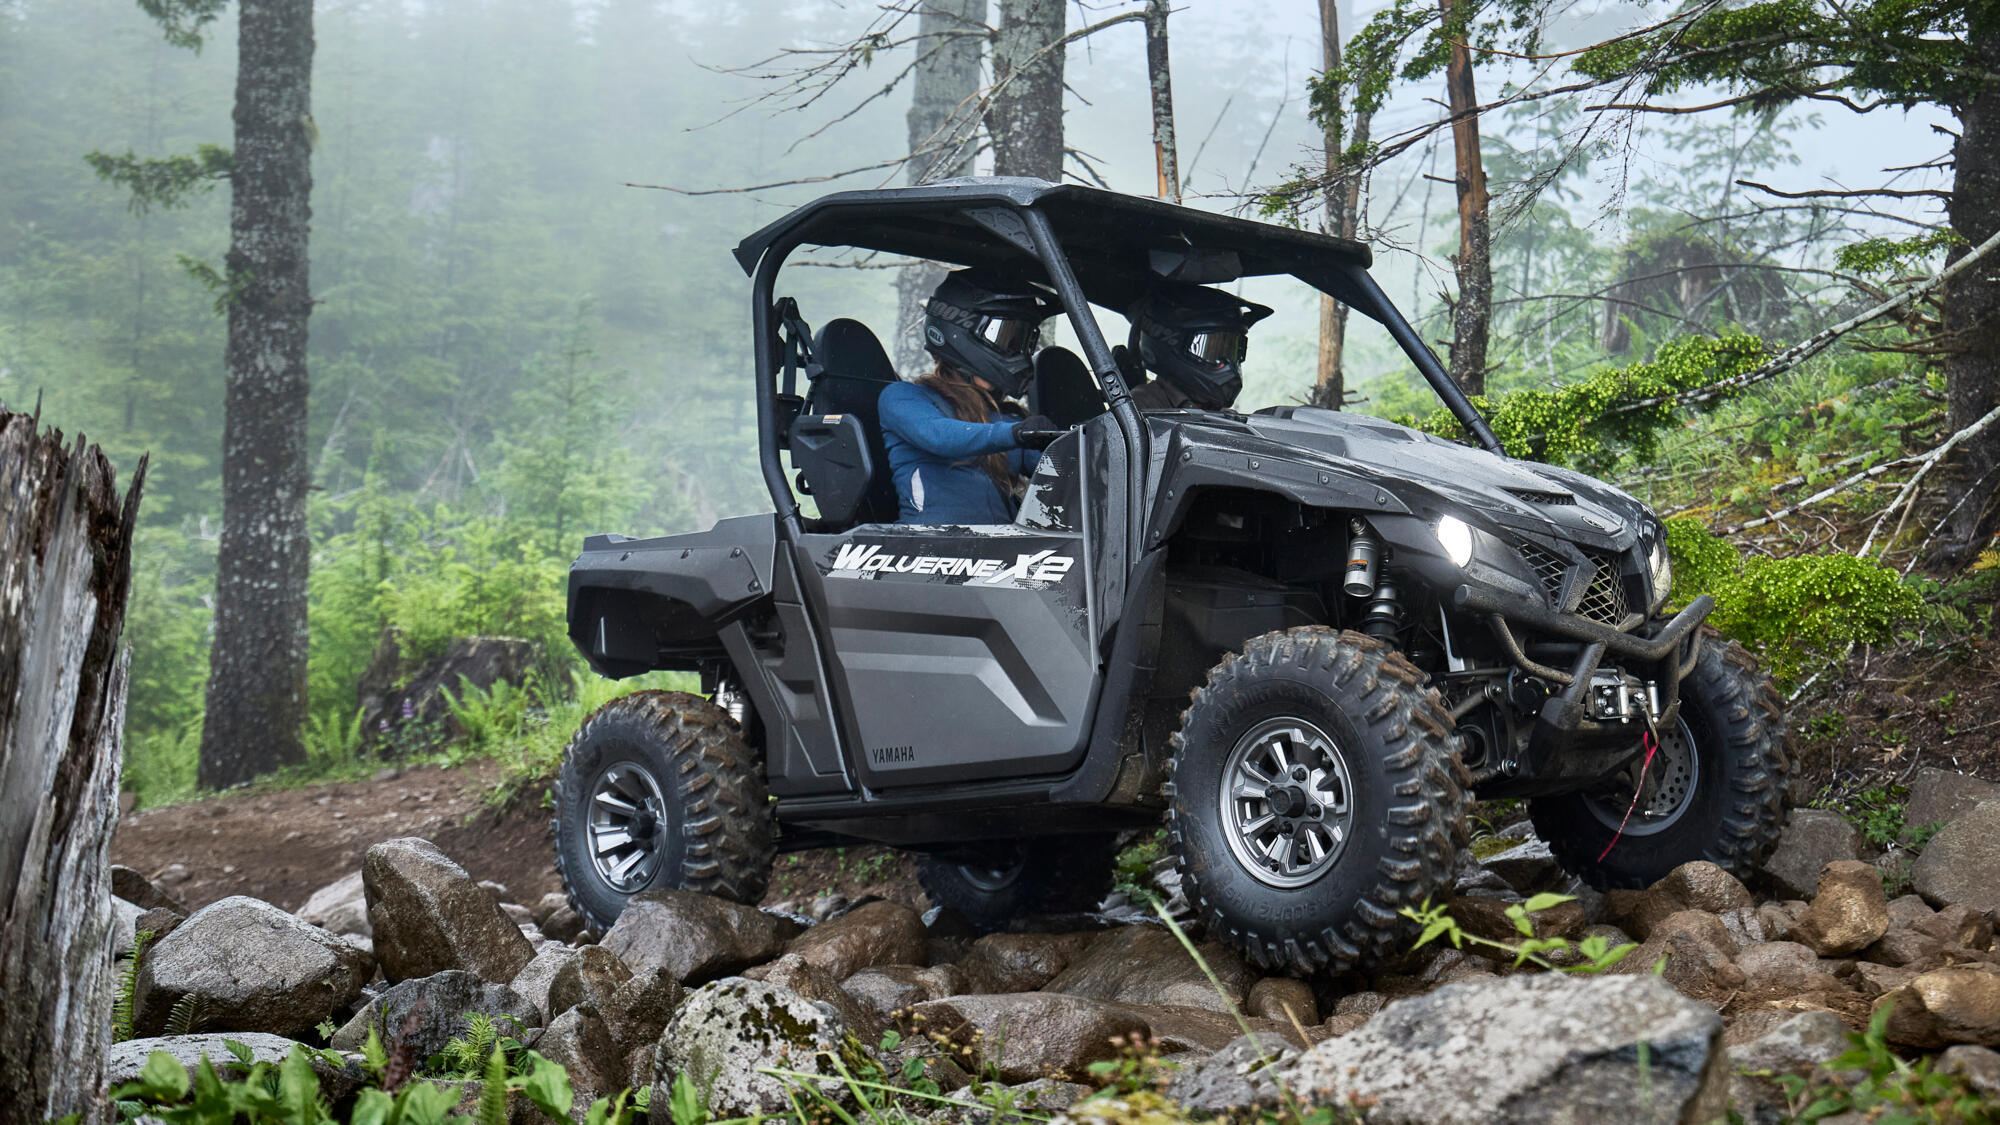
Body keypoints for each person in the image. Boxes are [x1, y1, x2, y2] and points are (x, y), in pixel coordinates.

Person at [878, 269, 1058, 524]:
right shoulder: (903, 397)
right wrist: (1017, 434)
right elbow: (940, 436)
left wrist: (1079, 443)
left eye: (1022, 342)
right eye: (1006, 338)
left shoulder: (1005, 420)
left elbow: (1057, 470)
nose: (1017, 352)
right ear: (961, 331)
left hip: (1000, 546)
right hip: (929, 544)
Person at [1124, 283, 1274, 411]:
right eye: (1213, 351)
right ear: (1171, 342)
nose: (1227, 363)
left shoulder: (1218, 412)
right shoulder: (1142, 407)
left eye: (1232, 351)